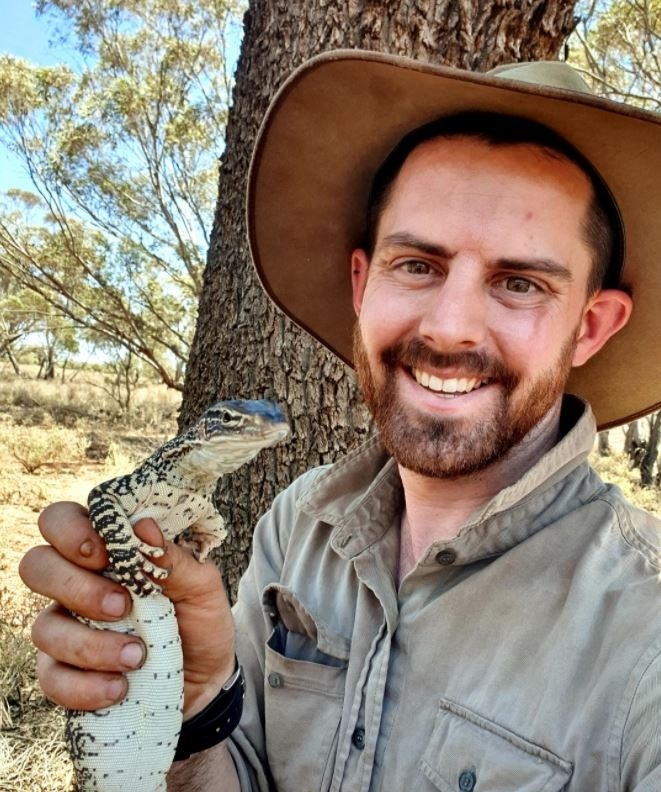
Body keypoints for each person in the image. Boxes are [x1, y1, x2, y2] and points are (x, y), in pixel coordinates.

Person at [19, 52, 661, 791]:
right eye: (416, 264)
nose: (449, 328)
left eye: (518, 283)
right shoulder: (297, 525)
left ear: (589, 326)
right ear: (363, 283)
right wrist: (193, 705)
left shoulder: (642, 629)